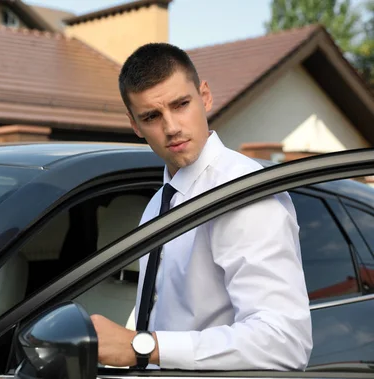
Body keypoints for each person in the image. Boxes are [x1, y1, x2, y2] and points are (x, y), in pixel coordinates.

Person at [90, 43, 313, 371]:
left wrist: (143, 347)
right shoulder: (157, 205)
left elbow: (284, 341)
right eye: (152, 116)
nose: (171, 127)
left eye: (181, 104)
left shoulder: (243, 194)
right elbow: (161, 316)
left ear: (204, 96)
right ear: (135, 125)